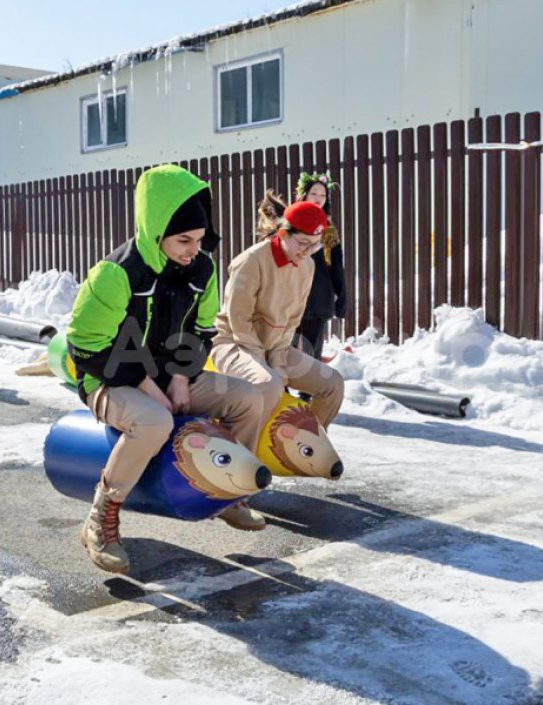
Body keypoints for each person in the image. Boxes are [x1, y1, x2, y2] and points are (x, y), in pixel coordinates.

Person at [67, 164, 265, 575]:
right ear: (156, 230)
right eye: (183, 241)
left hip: (171, 373)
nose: (194, 249)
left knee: (248, 398)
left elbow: (202, 329)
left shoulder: (202, 269)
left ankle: (226, 493)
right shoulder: (115, 274)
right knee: (154, 421)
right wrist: (145, 384)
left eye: (199, 239)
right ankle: (101, 519)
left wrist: (178, 376)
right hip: (106, 378)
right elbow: (86, 347)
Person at [210, 199, 345, 434]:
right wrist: (268, 366)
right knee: (269, 384)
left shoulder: (307, 266)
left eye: (314, 246)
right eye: (302, 243)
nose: (307, 251)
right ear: (283, 233)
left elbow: (293, 320)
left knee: (332, 383)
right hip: (235, 345)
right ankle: (238, 454)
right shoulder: (252, 260)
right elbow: (238, 320)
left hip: (275, 348)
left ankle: (305, 443)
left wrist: (278, 360)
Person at [258, 172, 346, 361]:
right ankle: (282, 385)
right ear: (303, 194)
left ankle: (309, 388)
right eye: (314, 193)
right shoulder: (291, 220)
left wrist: (341, 297)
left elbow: (336, 265)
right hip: (290, 292)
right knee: (282, 344)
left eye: (323, 195)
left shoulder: (329, 229)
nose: (318, 199)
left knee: (312, 347)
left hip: (319, 295)